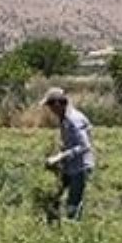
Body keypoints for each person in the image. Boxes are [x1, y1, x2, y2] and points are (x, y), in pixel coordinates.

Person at [42, 87, 95, 221]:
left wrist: (59, 157)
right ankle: (54, 227)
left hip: (80, 167)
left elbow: (84, 145)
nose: (50, 109)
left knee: (73, 206)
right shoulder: (64, 118)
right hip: (69, 166)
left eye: (50, 105)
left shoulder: (73, 120)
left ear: (58, 103)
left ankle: (74, 232)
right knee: (53, 197)